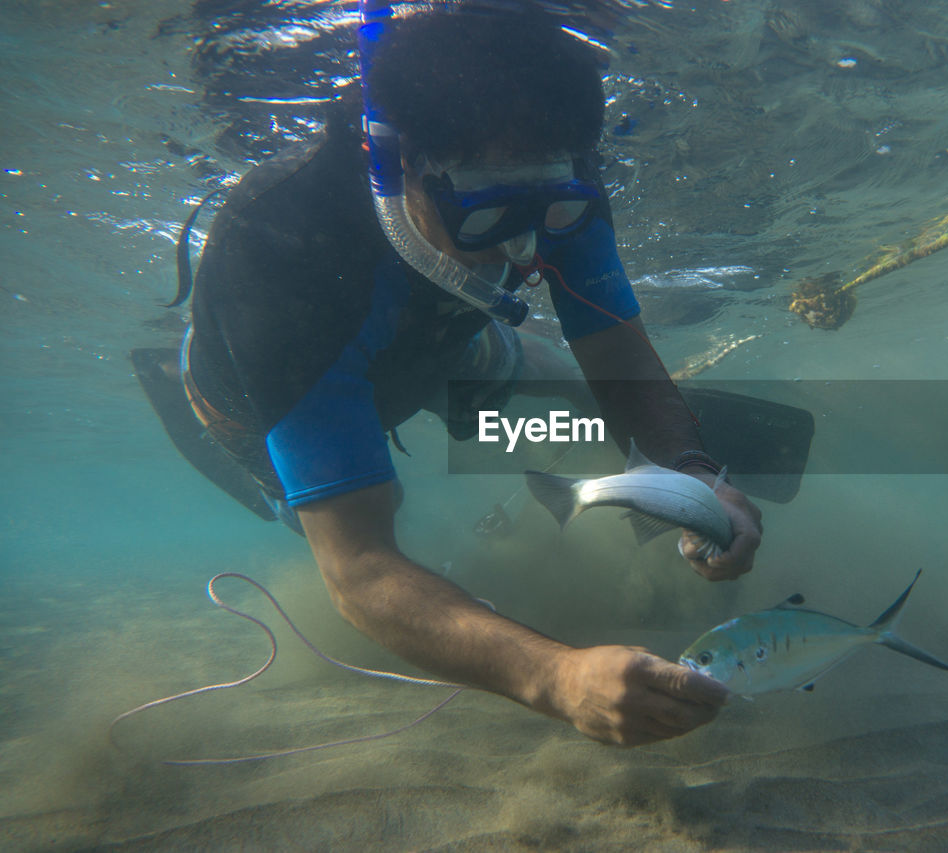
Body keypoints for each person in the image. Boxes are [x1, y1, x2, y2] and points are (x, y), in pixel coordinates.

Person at [141, 1, 764, 747]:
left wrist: (691, 468)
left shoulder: (548, 169)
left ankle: (607, 482)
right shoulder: (278, 252)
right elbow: (361, 568)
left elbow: (616, 350)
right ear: (399, 159)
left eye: (552, 210)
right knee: (317, 512)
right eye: (491, 216)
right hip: (258, 400)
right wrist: (557, 676)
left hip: (437, 346)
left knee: (548, 371)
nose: (527, 250)